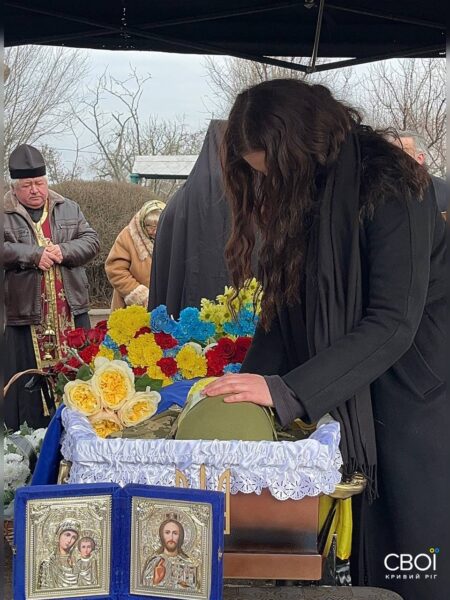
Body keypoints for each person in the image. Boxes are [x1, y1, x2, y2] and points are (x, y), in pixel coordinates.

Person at [203, 79, 448, 600]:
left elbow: (392, 322)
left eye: (272, 171)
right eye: (258, 174)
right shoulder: (307, 191)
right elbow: (284, 308)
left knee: (410, 551)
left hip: (409, 387)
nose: (267, 184)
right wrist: (248, 389)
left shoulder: (393, 188)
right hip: (345, 374)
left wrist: (290, 392)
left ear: (302, 148)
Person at [4, 144, 100, 430]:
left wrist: (63, 250)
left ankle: (77, 429)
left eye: (39, 183)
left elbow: (91, 241)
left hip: (70, 310)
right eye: (27, 185)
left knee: (76, 373)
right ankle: (29, 433)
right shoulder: (4, 212)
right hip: (26, 313)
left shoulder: (68, 207)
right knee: (26, 381)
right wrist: (32, 255)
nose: (35, 190)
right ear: (15, 187)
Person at [148, 120, 235, 318]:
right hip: (242, 316)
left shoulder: (178, 203)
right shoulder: (255, 202)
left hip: (185, 318)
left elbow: (164, 269)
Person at [105, 199, 165, 311]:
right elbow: (115, 269)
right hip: (130, 307)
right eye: (148, 225)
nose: (153, 231)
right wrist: (139, 295)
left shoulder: (173, 237)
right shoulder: (128, 236)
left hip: (163, 304)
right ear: (142, 222)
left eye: (157, 226)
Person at [391, 129, 447, 214]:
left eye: (401, 152)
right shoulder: (379, 191)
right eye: (392, 153)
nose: (395, 157)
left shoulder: (443, 191)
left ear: (420, 158)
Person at [141, 517, 197, 589]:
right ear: (162, 535)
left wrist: (184, 586)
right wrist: (156, 581)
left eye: (175, 533)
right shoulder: (155, 562)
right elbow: (144, 588)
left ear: (180, 536)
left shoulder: (187, 563)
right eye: (167, 532)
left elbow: (194, 589)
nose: (171, 537)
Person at [38, 519, 80, 589]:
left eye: (73, 537)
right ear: (59, 535)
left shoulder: (77, 563)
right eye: (67, 535)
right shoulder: (47, 564)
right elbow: (43, 590)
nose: (69, 540)